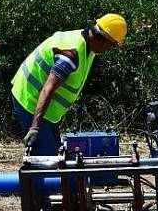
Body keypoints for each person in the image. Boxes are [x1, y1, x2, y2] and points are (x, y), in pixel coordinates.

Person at [11, 14, 127, 155]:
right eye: (111, 45)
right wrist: (34, 127)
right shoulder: (70, 55)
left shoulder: (86, 43)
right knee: (46, 158)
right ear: (103, 39)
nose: (109, 49)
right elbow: (48, 89)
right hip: (30, 99)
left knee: (54, 152)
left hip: (45, 107)